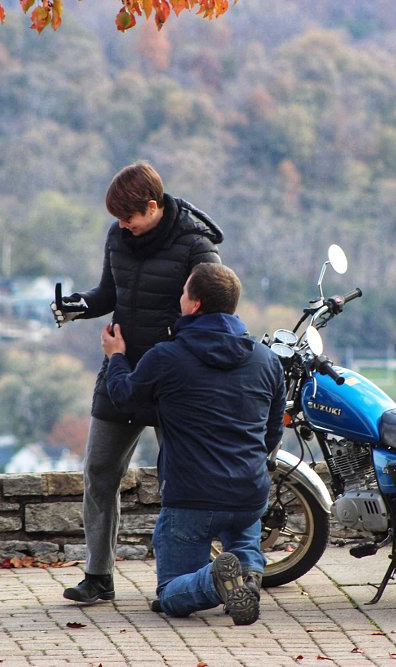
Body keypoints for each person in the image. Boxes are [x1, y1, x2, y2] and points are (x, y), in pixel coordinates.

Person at [53, 162, 224, 605]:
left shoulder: (197, 246)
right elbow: (109, 294)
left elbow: (215, 311)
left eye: (129, 218)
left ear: (152, 206)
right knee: (98, 471)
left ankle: (182, 582)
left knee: (180, 483)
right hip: (121, 369)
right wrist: (78, 305)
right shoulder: (118, 237)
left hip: (175, 380)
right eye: (117, 220)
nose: (123, 226)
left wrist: (178, 351)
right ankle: (98, 576)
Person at [99, 262, 285, 625]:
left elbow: (124, 395)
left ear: (194, 304)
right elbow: (273, 430)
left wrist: (115, 357)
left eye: (184, 292)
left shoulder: (166, 356)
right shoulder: (266, 360)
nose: (180, 297)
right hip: (248, 490)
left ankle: (215, 581)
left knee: (170, 593)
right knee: (244, 539)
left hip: (191, 495)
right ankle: (245, 577)